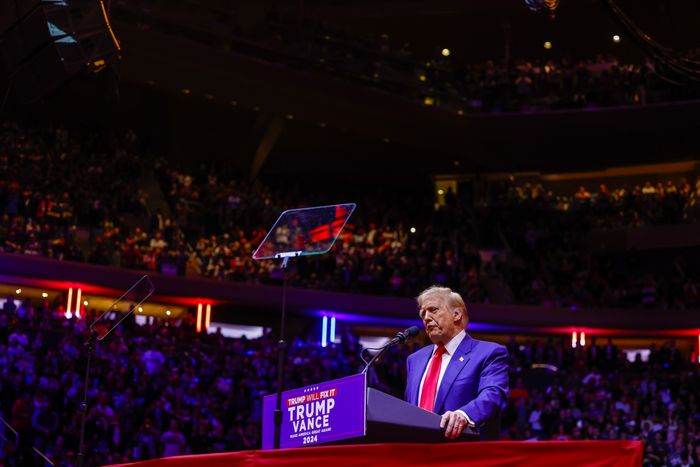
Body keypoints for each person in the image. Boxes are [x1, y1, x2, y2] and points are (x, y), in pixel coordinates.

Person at [405, 286, 509, 440]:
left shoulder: (489, 353)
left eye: (433, 310)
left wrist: (465, 414)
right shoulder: (414, 360)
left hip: (463, 454)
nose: (426, 317)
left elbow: (494, 394)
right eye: (422, 313)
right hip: (416, 454)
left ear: (456, 314)